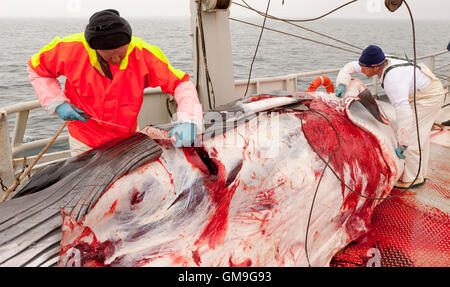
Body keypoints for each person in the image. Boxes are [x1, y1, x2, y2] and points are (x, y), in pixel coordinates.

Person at [28, 9, 203, 156]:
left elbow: (181, 84)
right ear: (94, 49)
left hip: (126, 138)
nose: (117, 59)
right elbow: (37, 68)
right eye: (109, 56)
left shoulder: (144, 54)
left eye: (121, 53)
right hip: (84, 139)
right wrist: (57, 103)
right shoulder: (68, 49)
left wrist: (190, 120)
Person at [335, 45, 445, 189]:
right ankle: (420, 173)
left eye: (364, 67)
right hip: (419, 92)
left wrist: (403, 142)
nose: (361, 70)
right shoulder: (377, 60)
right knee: (420, 136)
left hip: (429, 97)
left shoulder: (392, 81)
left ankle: (412, 179)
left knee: (412, 137)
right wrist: (342, 83)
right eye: (361, 65)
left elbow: (403, 112)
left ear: (375, 68)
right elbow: (349, 67)